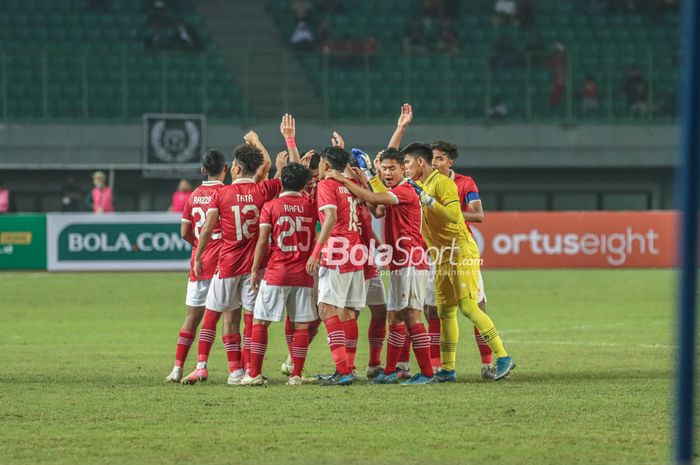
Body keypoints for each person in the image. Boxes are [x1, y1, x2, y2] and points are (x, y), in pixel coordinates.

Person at [388, 103, 515, 382]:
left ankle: (503, 356)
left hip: (460, 250)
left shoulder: (442, 184)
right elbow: (388, 168)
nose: (405, 168)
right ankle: (448, 369)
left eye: (408, 163)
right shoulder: (415, 186)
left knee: (470, 306)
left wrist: (429, 202)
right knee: (444, 312)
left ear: (422, 163)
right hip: (441, 254)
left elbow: (456, 216)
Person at [327, 148, 437, 385]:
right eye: (384, 169)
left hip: (411, 260)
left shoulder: (406, 190)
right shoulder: (396, 190)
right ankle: (389, 371)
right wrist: (367, 178)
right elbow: (377, 204)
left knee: (411, 317)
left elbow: (375, 199)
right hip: (399, 262)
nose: (387, 172)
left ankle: (427, 374)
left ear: (402, 168)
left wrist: (344, 179)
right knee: (394, 316)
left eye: (392, 168)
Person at [181, 131, 281, 385]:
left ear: (235, 168)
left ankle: (205, 366)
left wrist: (199, 255)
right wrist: (257, 142)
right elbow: (268, 165)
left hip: (227, 265)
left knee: (212, 315)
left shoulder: (221, 195)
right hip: (253, 268)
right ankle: (248, 371)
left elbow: (205, 229)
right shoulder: (263, 190)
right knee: (249, 319)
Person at [246, 163, 318, 386]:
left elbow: (262, 241)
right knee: (301, 325)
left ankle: (254, 374)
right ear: (305, 183)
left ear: (282, 181)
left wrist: (255, 268)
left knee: (260, 321)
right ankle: (296, 375)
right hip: (304, 274)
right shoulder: (311, 205)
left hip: (278, 272)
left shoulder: (271, 206)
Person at [431, 140, 496, 380]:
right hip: (435, 253)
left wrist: (447, 212)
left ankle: (488, 365)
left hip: (460, 252)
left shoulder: (464, 183)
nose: (435, 163)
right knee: (435, 310)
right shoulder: (424, 183)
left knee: (477, 307)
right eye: (432, 158)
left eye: (439, 158)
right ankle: (439, 367)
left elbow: (478, 214)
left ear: (450, 161)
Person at [305, 146, 367, 386]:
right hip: (355, 252)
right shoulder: (349, 184)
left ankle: (342, 371)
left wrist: (315, 253)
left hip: (337, 253)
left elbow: (330, 218)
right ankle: (348, 368)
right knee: (348, 312)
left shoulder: (326, 185)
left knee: (326, 309)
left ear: (327, 166)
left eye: (320, 164)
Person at [164, 150, 227, 383]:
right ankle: (206, 365)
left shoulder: (193, 195)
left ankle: (177, 368)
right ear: (226, 169)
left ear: (202, 171)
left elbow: (184, 232)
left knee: (192, 317)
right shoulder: (226, 192)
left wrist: (198, 247)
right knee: (220, 316)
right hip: (222, 261)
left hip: (198, 263)